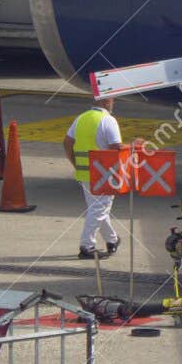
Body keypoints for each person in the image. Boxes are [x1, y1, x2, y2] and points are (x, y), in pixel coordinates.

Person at [64, 95, 122, 259]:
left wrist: (76, 163)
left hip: (84, 173)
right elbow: (116, 148)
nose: (113, 103)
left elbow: (67, 142)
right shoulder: (108, 120)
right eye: (112, 99)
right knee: (98, 210)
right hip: (103, 175)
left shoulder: (81, 119)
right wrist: (135, 145)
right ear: (107, 101)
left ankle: (113, 240)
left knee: (98, 209)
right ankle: (87, 246)